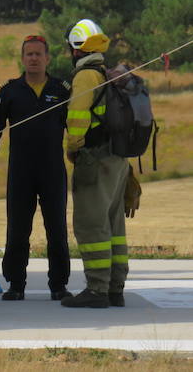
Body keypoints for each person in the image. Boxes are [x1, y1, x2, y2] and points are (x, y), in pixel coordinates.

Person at [0, 34, 72, 301]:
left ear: (47, 58)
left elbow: (77, 129)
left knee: (57, 230)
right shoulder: (9, 91)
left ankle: (59, 285)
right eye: (28, 54)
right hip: (21, 172)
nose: (33, 58)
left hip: (53, 171)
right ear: (22, 59)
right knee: (18, 230)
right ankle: (16, 284)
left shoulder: (62, 89)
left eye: (38, 54)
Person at [60, 19, 136, 308]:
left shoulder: (85, 76)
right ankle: (115, 288)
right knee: (114, 225)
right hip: (117, 159)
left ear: (76, 48)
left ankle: (97, 290)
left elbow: (76, 117)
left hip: (96, 158)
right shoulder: (107, 72)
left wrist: (73, 149)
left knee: (91, 225)